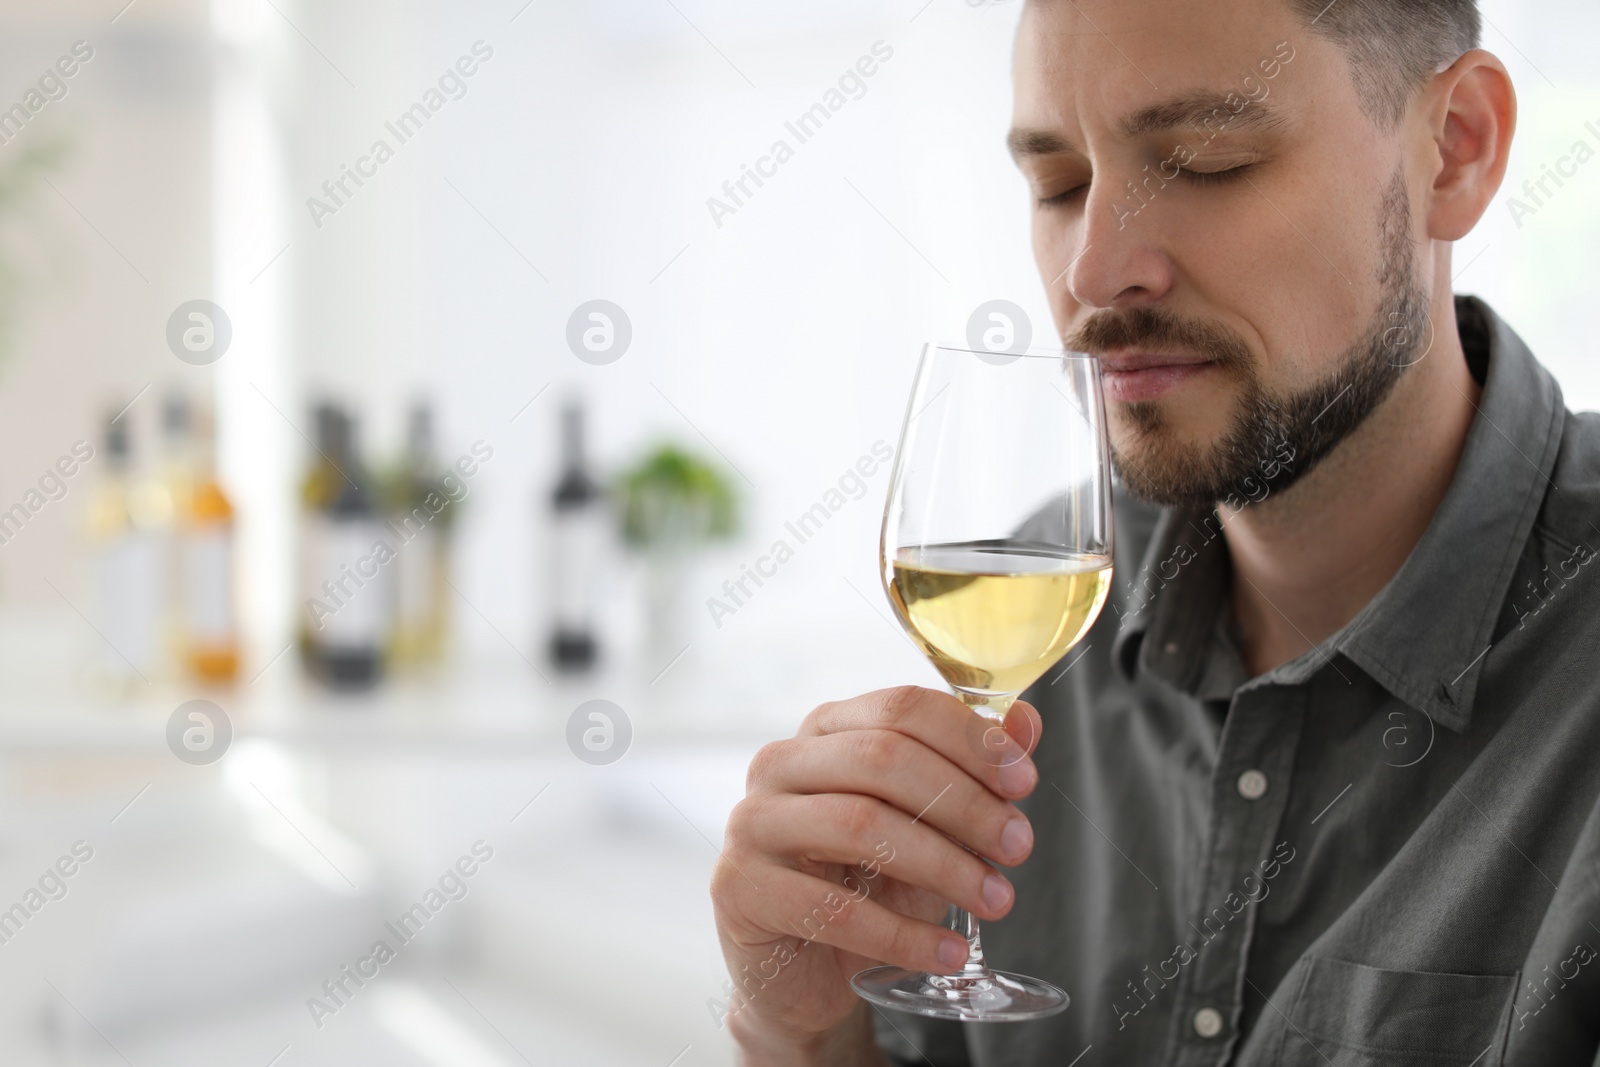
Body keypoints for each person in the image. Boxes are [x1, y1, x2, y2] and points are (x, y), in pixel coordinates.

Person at [711, 0, 1600, 1062]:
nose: (1093, 273)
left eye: (1203, 160)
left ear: (1455, 150)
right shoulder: (1050, 615)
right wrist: (802, 1030)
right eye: (1058, 184)